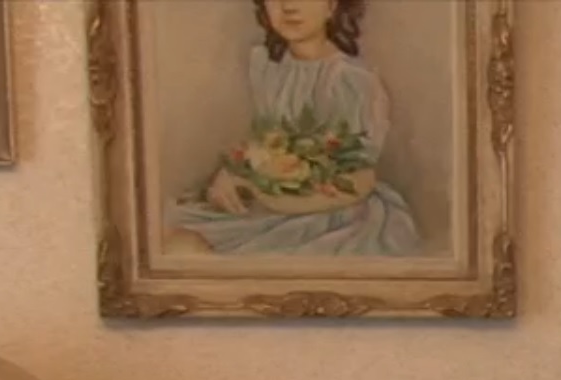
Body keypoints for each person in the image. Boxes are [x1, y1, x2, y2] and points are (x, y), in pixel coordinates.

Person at [166, 0, 421, 258]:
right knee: (176, 240)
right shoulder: (267, 66)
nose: (288, 6)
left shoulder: (351, 80)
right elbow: (266, 143)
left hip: (335, 215)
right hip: (271, 202)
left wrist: (263, 191)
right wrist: (231, 173)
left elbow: (359, 179)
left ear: (332, 5)